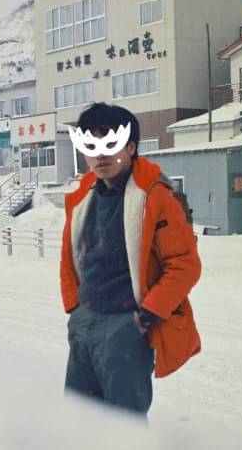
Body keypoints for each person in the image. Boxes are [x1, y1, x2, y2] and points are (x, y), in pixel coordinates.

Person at [60, 102, 202, 416]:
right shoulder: (83, 196)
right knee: (77, 418)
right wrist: (74, 307)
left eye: (110, 144)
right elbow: (71, 256)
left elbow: (184, 264)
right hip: (85, 321)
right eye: (91, 146)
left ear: (131, 147)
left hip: (126, 325)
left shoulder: (156, 196)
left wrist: (148, 314)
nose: (100, 155)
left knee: (124, 424)